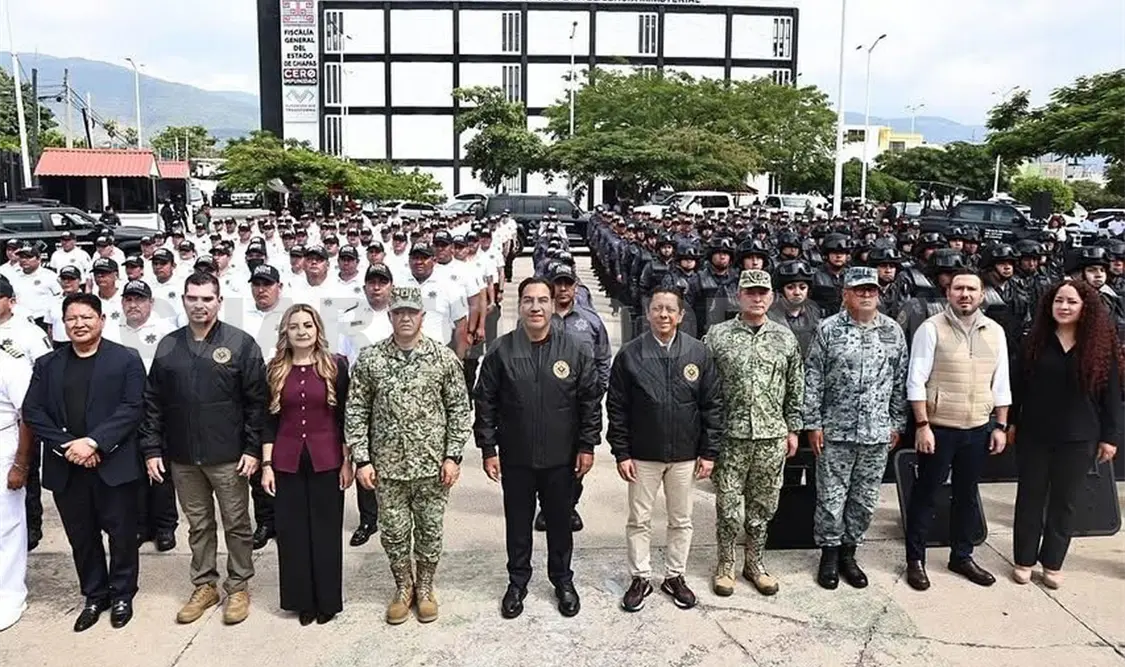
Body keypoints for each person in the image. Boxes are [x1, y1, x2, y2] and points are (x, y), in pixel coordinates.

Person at [140, 271, 268, 625]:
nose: (200, 305)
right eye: (193, 298)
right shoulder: (168, 346)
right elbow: (152, 402)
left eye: (207, 299)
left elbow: (257, 403)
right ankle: (205, 585)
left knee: (238, 524)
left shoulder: (241, 344)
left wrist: (253, 448)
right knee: (198, 525)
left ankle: (239, 585)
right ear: (183, 300)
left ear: (219, 301)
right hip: (183, 457)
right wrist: (152, 450)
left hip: (229, 456)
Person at [474, 277, 602, 620]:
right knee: (517, 524)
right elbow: (484, 402)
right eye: (529, 300)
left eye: (543, 300)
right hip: (516, 458)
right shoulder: (501, 350)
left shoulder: (575, 349)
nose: (536, 307)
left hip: (562, 458)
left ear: (551, 305)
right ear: (520, 304)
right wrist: (488, 448)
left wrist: (587, 445)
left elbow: (590, 401)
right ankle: (517, 582)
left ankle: (562, 580)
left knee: (560, 524)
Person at [345, 287, 471, 625]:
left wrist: (453, 456)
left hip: (432, 467)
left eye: (411, 312)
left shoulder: (442, 358)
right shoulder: (371, 359)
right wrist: (362, 458)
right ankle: (404, 587)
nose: (405, 318)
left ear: (422, 316)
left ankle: (426, 587)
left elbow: (459, 409)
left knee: (430, 531)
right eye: (398, 312)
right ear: (389, 316)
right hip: (388, 469)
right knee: (394, 533)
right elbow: (356, 409)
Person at [22, 292, 147, 631]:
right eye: (72, 318)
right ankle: (95, 594)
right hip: (67, 467)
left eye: (86, 317)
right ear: (63, 324)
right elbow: (33, 411)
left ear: (101, 321)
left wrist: (94, 443)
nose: (79, 324)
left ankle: (122, 593)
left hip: (112, 463)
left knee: (121, 534)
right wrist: (68, 445)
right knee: (82, 536)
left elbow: (132, 408)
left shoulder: (126, 359)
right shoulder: (48, 364)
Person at [607, 287, 722, 612]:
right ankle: (640, 577)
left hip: (685, 455)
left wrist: (709, 452)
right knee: (639, 519)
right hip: (643, 455)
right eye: (657, 308)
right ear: (648, 313)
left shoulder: (698, 353)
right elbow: (617, 408)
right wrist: (622, 452)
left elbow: (712, 405)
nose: (664, 315)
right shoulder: (630, 355)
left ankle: (675, 575)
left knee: (681, 519)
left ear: (681, 315)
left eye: (670, 309)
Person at [904, 270, 1011, 591]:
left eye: (971, 289)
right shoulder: (930, 328)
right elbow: (916, 380)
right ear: (948, 293)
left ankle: (962, 556)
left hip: (978, 428)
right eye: (958, 288)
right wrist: (922, 425)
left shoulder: (995, 331)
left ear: (982, 295)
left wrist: (1001, 425)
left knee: (966, 496)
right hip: (938, 428)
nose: (965, 294)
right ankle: (915, 559)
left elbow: (1001, 382)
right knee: (926, 494)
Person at [1009, 281, 1121, 588]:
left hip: (1079, 436)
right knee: (1030, 497)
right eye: (1059, 301)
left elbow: (1110, 395)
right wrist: (1011, 423)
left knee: (1065, 501)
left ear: (1085, 307)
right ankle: (1023, 559)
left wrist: (1110, 436)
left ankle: (1053, 562)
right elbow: (1017, 386)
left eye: (1071, 302)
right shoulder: (1035, 341)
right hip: (1035, 433)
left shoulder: (1099, 346)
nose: (1064, 306)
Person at [803, 267, 908, 591]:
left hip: (877, 433)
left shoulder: (892, 331)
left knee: (864, 499)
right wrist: (813, 423)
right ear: (845, 293)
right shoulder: (829, 330)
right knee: (831, 498)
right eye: (859, 289)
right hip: (836, 431)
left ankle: (850, 553)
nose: (866, 295)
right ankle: (830, 554)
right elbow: (814, 378)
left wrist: (896, 422)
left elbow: (899, 382)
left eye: (871, 290)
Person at [703, 269, 804, 597]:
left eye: (763, 293)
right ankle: (726, 563)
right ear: (738, 296)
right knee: (729, 506)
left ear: (772, 297)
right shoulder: (717, 336)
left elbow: (795, 385)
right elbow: (705, 387)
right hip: (730, 437)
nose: (757, 298)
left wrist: (793, 428)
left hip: (771, 437)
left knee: (763, 507)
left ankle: (755, 563)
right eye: (750, 292)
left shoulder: (784, 337)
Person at [260, 305, 352, 625]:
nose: (301, 331)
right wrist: (267, 464)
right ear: (285, 331)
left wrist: (346, 461)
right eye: (294, 326)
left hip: (326, 458)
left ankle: (327, 599)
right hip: (286, 460)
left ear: (317, 330)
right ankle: (302, 601)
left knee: (326, 532)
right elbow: (268, 421)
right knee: (293, 532)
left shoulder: (335, 366)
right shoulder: (273, 369)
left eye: (308, 325)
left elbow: (343, 419)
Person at [116, 280, 178, 552]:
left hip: (157, 407)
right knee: (134, 470)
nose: (133, 305)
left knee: (160, 469)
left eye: (139, 299)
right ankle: (141, 524)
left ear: (151, 303)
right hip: (123, 408)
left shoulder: (167, 331)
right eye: (129, 299)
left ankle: (165, 526)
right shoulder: (110, 330)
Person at [0, 346, 33, 631]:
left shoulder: (10, 363)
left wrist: (21, 464)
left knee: (6, 526)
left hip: (3, 446)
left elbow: (28, 415)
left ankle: (10, 596)